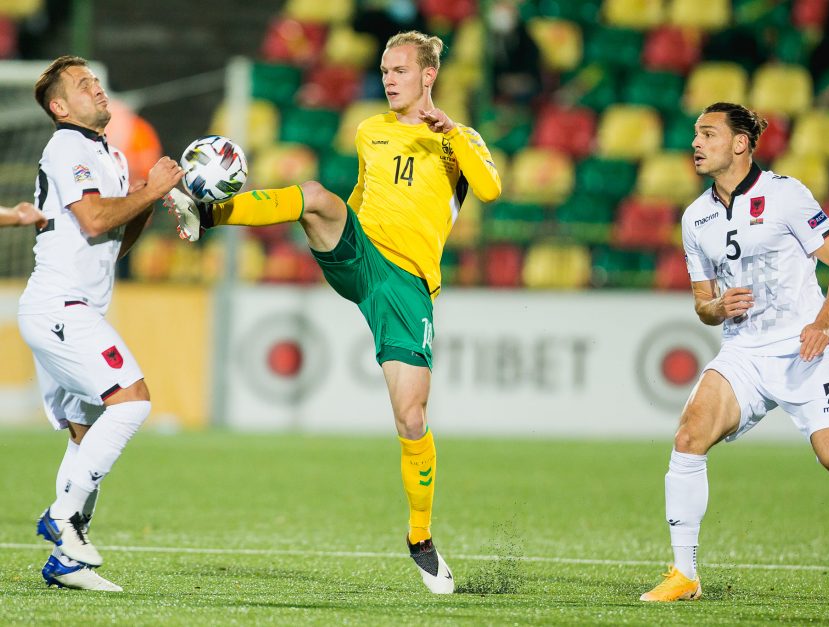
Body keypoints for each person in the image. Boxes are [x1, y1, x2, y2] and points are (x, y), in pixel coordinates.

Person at [164, 30, 501, 593]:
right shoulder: (371, 130)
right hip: (361, 252)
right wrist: (342, 237)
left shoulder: (460, 139)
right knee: (318, 195)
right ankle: (209, 212)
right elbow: (365, 197)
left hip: (408, 286)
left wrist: (453, 135)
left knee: (411, 418)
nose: (389, 79)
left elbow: (489, 189)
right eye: (385, 70)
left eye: (399, 70)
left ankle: (420, 538)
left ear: (428, 76)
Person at [640, 102, 829, 602]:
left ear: (739, 144)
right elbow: (701, 307)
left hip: (803, 349)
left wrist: (823, 323)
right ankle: (684, 574)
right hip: (744, 352)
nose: (696, 143)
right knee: (688, 436)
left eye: (707, 134)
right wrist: (717, 306)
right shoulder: (695, 218)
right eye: (695, 134)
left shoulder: (786, 195)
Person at [18, 55, 184, 592]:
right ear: (61, 106)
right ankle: (61, 519)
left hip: (74, 307)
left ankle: (67, 562)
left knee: (85, 432)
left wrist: (147, 205)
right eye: (84, 84)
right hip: (59, 305)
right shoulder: (68, 146)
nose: (98, 87)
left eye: (97, 80)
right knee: (132, 401)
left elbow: (109, 244)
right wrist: (150, 190)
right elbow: (93, 218)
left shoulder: (106, 153)